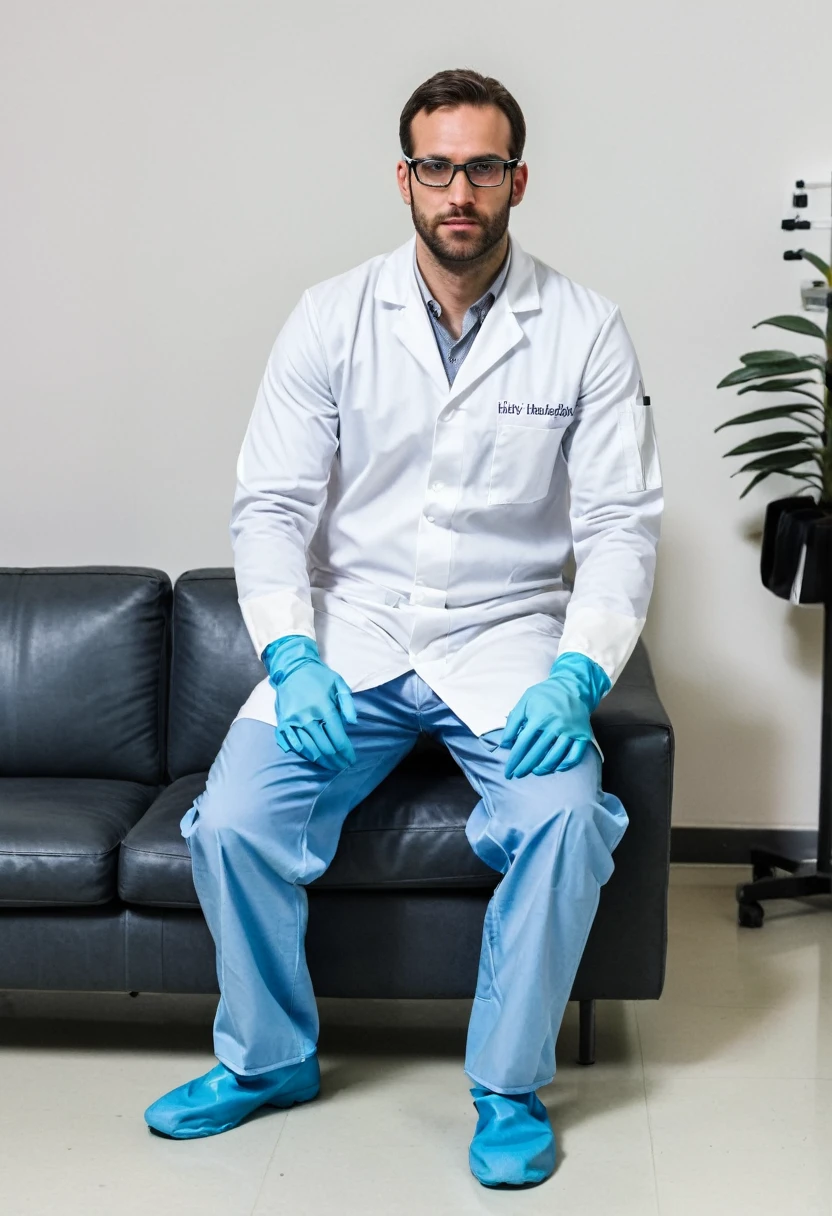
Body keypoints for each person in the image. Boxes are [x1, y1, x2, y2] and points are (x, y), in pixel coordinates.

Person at [144, 67, 663, 1189]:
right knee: (231, 819)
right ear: (405, 179)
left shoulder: (583, 329)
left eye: (482, 167)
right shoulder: (331, 316)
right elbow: (272, 507)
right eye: (436, 167)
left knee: (567, 819)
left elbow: (620, 525)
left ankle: (508, 1084)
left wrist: (574, 676)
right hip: (350, 635)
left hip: (508, 637)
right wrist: (289, 651)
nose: (458, 192)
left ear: (518, 179)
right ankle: (269, 1060)